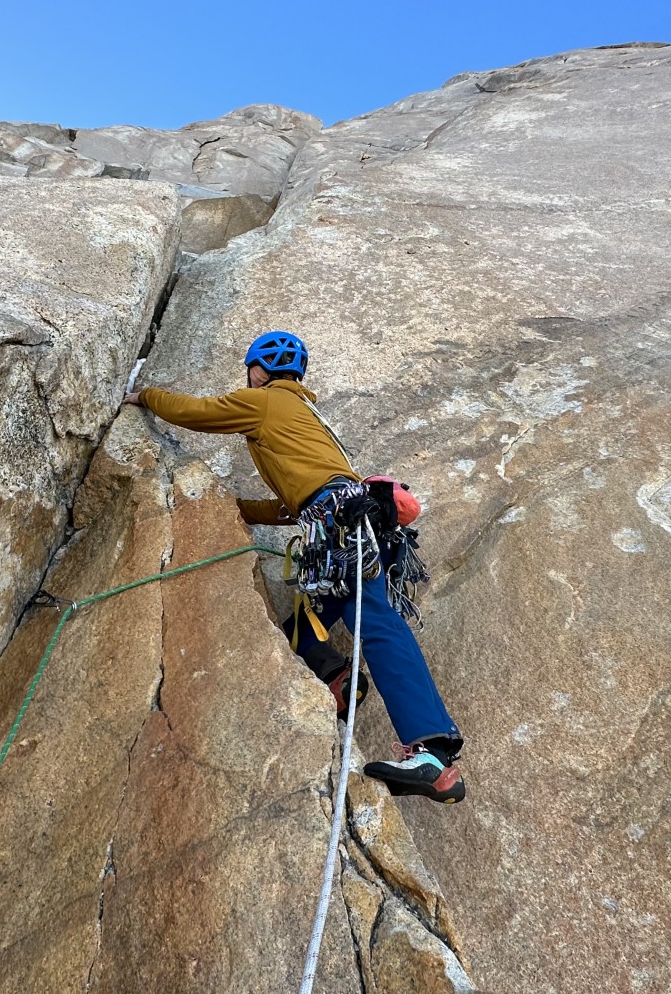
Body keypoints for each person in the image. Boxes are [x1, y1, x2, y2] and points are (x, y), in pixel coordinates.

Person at [126, 330, 467, 804]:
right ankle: (339, 680)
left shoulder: (265, 402)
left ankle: (432, 752)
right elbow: (293, 502)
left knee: (377, 624)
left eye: (250, 373)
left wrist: (144, 396)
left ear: (259, 369)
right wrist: (235, 509)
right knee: (300, 632)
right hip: (350, 524)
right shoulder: (305, 415)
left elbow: (197, 413)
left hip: (341, 529)